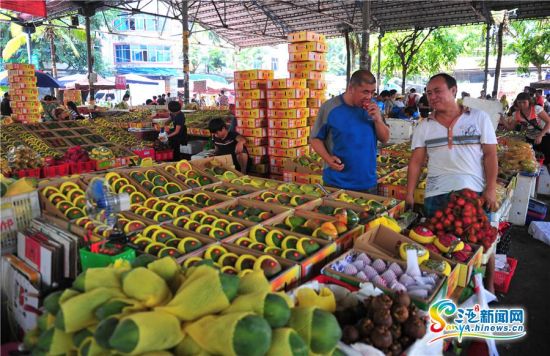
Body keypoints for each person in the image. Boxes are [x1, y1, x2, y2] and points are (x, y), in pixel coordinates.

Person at [406, 73, 498, 293]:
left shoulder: (478, 118)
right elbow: (416, 162)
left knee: (481, 240)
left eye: (438, 91)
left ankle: (489, 283)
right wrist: (409, 193)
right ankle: (451, 292)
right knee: (441, 247)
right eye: (429, 93)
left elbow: (490, 155)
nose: (432, 96)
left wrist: (491, 189)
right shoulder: (424, 126)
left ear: (454, 90)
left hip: (472, 192)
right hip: (436, 194)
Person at [310, 69, 390, 193]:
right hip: (336, 183)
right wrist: (328, 159)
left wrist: (378, 120)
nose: (369, 97)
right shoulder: (330, 107)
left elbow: (385, 138)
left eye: (372, 92)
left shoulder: (373, 108)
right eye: (365, 92)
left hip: (367, 183)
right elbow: (315, 139)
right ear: (351, 88)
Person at [512, 92, 550, 166]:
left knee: (545, 160)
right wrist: (502, 119)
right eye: (519, 102)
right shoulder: (516, 113)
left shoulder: (536, 109)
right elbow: (512, 128)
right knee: (531, 160)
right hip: (530, 139)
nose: (522, 105)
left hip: (545, 137)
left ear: (529, 101)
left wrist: (540, 135)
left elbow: (549, 122)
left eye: (524, 102)